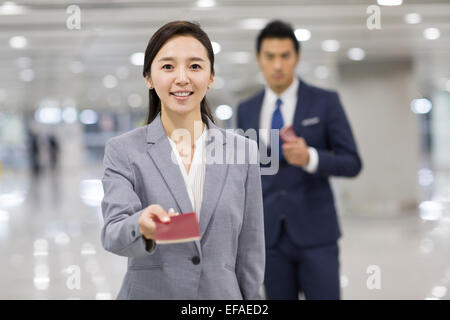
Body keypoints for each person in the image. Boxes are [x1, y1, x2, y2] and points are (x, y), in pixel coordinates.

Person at [101, 21, 265, 300]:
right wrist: (142, 224)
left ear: (211, 77)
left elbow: (251, 248)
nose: (181, 78)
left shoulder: (243, 151)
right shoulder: (124, 151)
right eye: (167, 67)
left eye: (195, 66)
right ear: (149, 78)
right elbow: (113, 233)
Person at [236, 20, 362, 300]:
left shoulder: (324, 101)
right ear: (259, 59)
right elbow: (244, 172)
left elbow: (352, 162)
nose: (278, 65)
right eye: (270, 57)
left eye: (285, 56)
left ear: (297, 57)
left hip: (317, 235)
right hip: (270, 239)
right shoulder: (246, 110)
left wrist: (312, 158)